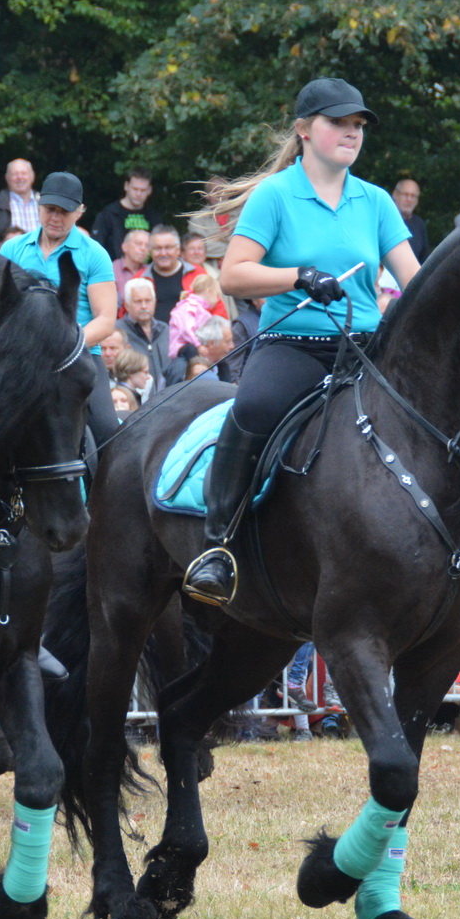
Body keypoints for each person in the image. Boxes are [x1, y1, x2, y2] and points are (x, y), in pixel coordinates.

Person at [180, 78, 419, 606]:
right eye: (339, 122)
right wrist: (297, 277)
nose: (351, 133)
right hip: (293, 343)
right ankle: (218, 547)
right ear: (304, 130)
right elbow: (236, 277)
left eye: (357, 126)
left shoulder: (376, 201)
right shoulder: (276, 195)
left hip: (365, 350)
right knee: (255, 407)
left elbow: (415, 279)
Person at [0, 172, 120, 445]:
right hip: (21, 357)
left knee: (107, 432)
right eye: (50, 209)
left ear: (80, 212)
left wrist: (66, 347)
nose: (55, 217)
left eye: (64, 211)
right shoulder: (12, 249)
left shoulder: (94, 254)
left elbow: (105, 319)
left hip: (80, 356)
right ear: (39, 205)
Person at [91, 169, 162, 262]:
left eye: (143, 190)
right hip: (116, 270)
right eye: (135, 189)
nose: (138, 194)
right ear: (126, 186)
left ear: (149, 190)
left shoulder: (153, 216)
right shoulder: (109, 214)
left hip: (146, 272)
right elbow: (97, 247)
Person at [111, 229, 151, 314]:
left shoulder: (151, 271)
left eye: (147, 246)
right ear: (124, 247)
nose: (143, 248)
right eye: (138, 244)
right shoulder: (111, 270)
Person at [391, 178, 430, 263]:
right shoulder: (384, 220)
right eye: (405, 194)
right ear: (395, 195)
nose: (409, 199)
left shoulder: (419, 224)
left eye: (413, 196)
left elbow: (423, 258)